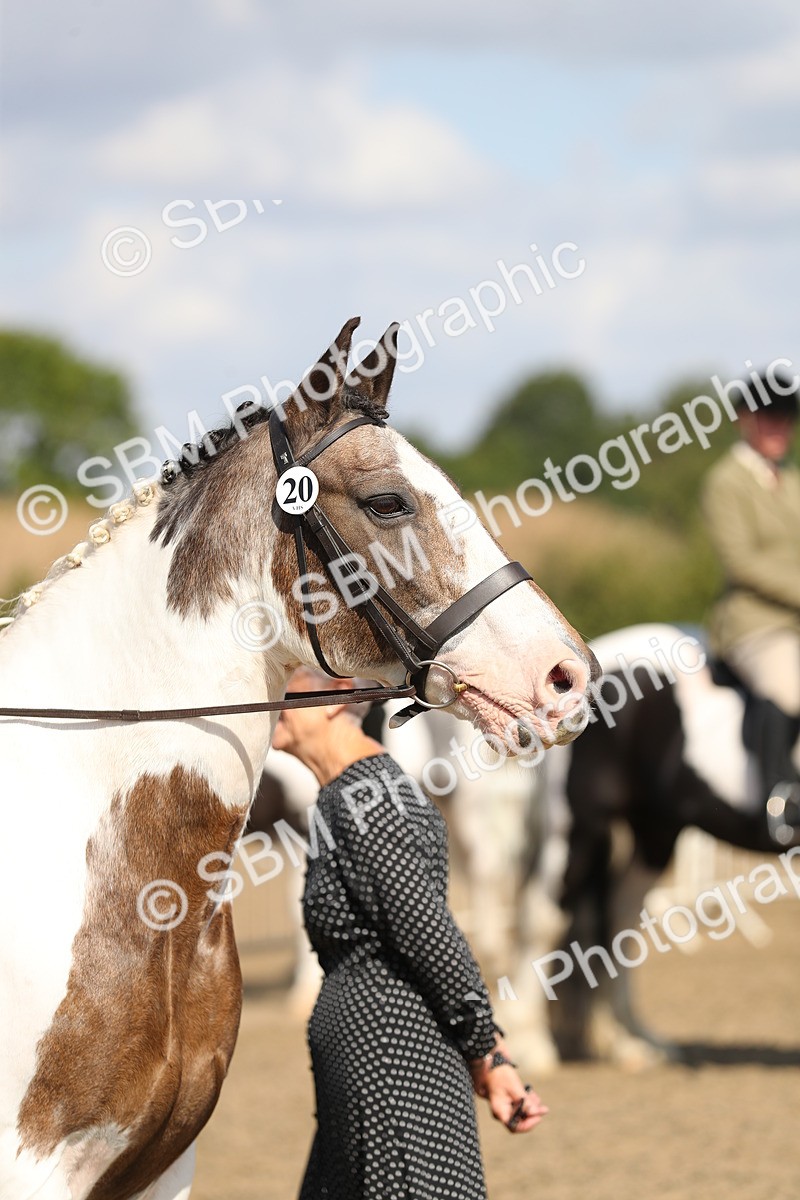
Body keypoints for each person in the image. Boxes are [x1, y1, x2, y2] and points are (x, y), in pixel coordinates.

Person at [272, 667, 547, 1200]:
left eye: (291, 681)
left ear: (339, 695)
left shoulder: (371, 798)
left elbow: (433, 939)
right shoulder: (345, 798)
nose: (274, 699)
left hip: (397, 1075)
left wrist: (489, 1055)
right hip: (370, 1074)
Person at [701, 368, 800, 843]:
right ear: (745, 419)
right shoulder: (727, 482)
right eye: (769, 418)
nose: (779, 428)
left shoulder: (794, 483)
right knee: (787, 683)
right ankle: (780, 803)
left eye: (786, 419)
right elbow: (742, 563)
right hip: (754, 623)